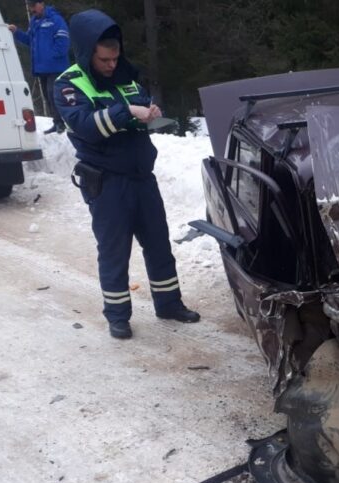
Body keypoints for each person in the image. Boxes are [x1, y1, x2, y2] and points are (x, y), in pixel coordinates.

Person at [54, 9, 199, 340]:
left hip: (141, 177)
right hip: (107, 182)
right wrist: (126, 112)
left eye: (115, 58)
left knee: (159, 246)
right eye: (105, 59)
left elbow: (138, 109)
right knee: (115, 252)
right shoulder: (68, 85)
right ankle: (118, 316)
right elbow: (86, 127)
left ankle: (169, 304)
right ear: (87, 51)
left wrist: (149, 113)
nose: (111, 65)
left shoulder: (126, 76)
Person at [8, 1, 70, 134]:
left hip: (55, 67)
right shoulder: (34, 22)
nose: (31, 10)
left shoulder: (55, 19)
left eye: (33, 6)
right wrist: (16, 32)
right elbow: (29, 40)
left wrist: (52, 55)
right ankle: (57, 122)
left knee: (53, 94)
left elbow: (64, 41)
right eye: (30, 7)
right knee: (48, 97)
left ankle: (63, 123)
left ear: (41, 4)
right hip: (41, 68)